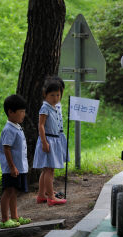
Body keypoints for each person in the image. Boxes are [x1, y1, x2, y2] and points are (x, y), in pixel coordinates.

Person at [0, 94, 31, 228]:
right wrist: (12, 167)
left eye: (24, 111)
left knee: (13, 192)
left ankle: (15, 217)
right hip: (11, 169)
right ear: (10, 112)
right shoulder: (9, 129)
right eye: (21, 112)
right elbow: (6, 149)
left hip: (17, 167)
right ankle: (5, 219)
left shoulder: (16, 126)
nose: (23, 114)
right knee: (8, 192)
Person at [33, 76, 67, 206]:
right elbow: (41, 125)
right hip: (48, 140)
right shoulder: (45, 108)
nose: (55, 98)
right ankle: (51, 197)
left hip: (54, 139)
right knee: (49, 170)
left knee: (46, 169)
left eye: (58, 95)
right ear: (45, 95)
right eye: (52, 95)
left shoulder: (56, 106)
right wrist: (44, 142)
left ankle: (41, 195)